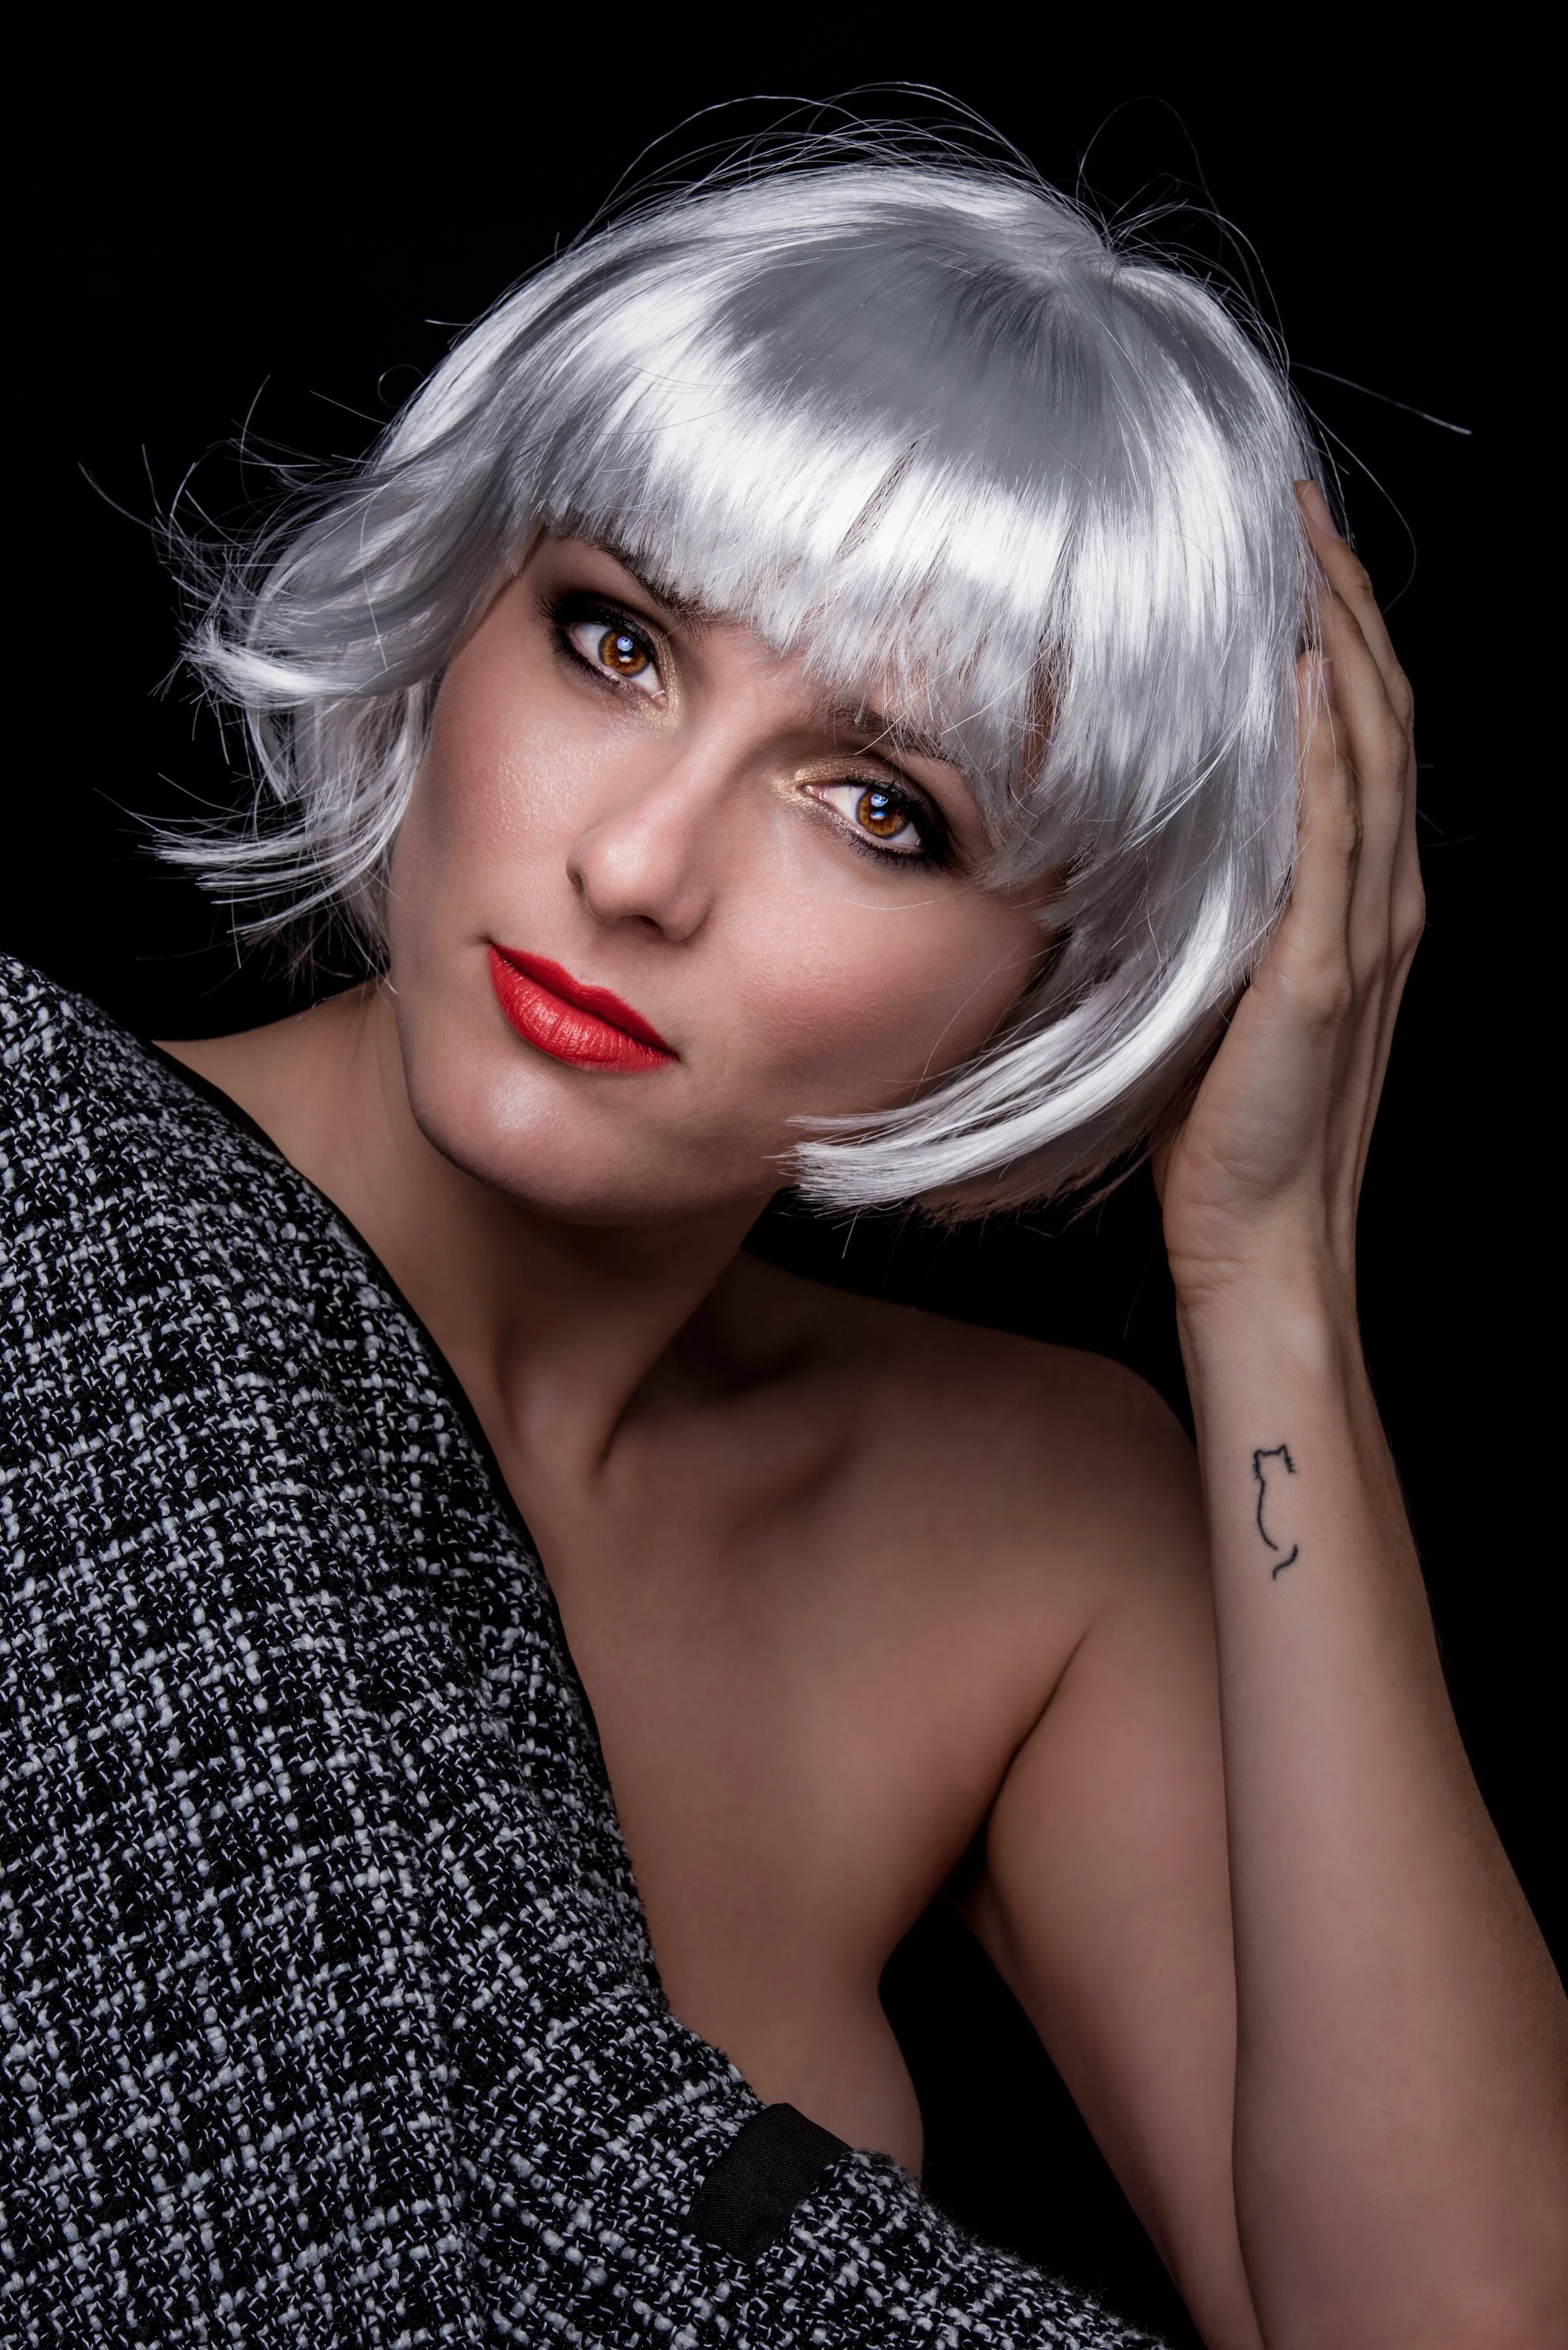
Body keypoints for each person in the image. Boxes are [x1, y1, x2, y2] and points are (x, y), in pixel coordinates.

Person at [3, 149, 1563, 2350]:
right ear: (457, 614)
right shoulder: (34, 1198)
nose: (637, 864)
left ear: (1064, 977)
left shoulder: (1021, 1533)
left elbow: (1445, 2324)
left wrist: (1272, 1279)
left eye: (877, 808)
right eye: (612, 640)